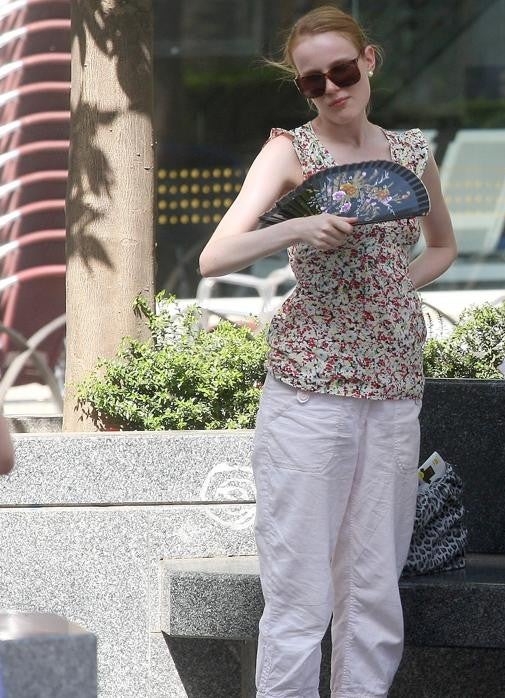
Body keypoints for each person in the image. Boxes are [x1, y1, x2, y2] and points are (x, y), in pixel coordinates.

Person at [198, 6, 455, 696]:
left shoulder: (410, 154)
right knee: (300, 594)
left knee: (374, 593)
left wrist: (393, 287)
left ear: (369, 61)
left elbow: (443, 247)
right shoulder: (289, 152)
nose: (334, 88)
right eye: (315, 82)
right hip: (309, 393)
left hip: (396, 391)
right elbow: (215, 256)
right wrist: (301, 227)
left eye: (343, 71)